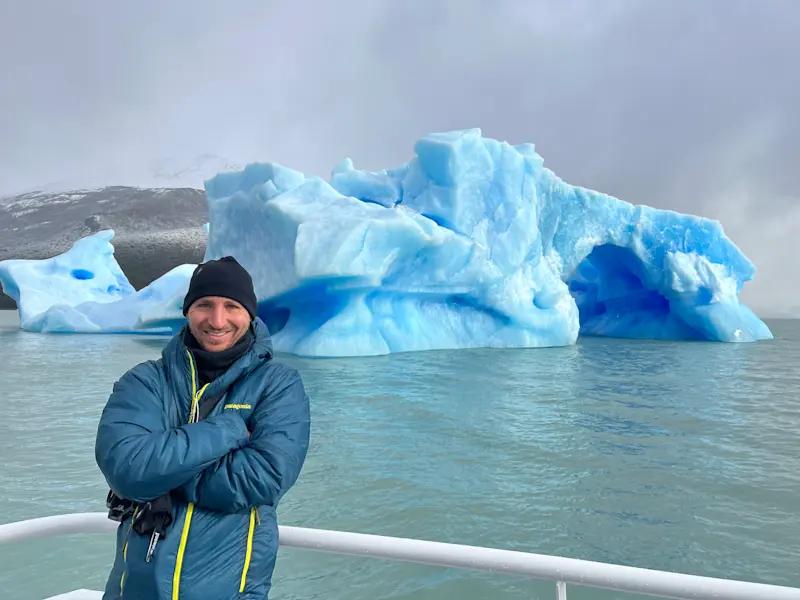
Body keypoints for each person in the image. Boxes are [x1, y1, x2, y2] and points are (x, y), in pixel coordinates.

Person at [95, 256, 311, 600]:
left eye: (231, 306)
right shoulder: (146, 381)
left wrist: (163, 474)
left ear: (250, 314)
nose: (217, 319)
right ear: (187, 311)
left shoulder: (277, 385)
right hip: (135, 590)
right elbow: (128, 469)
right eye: (204, 305)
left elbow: (262, 477)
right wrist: (230, 429)